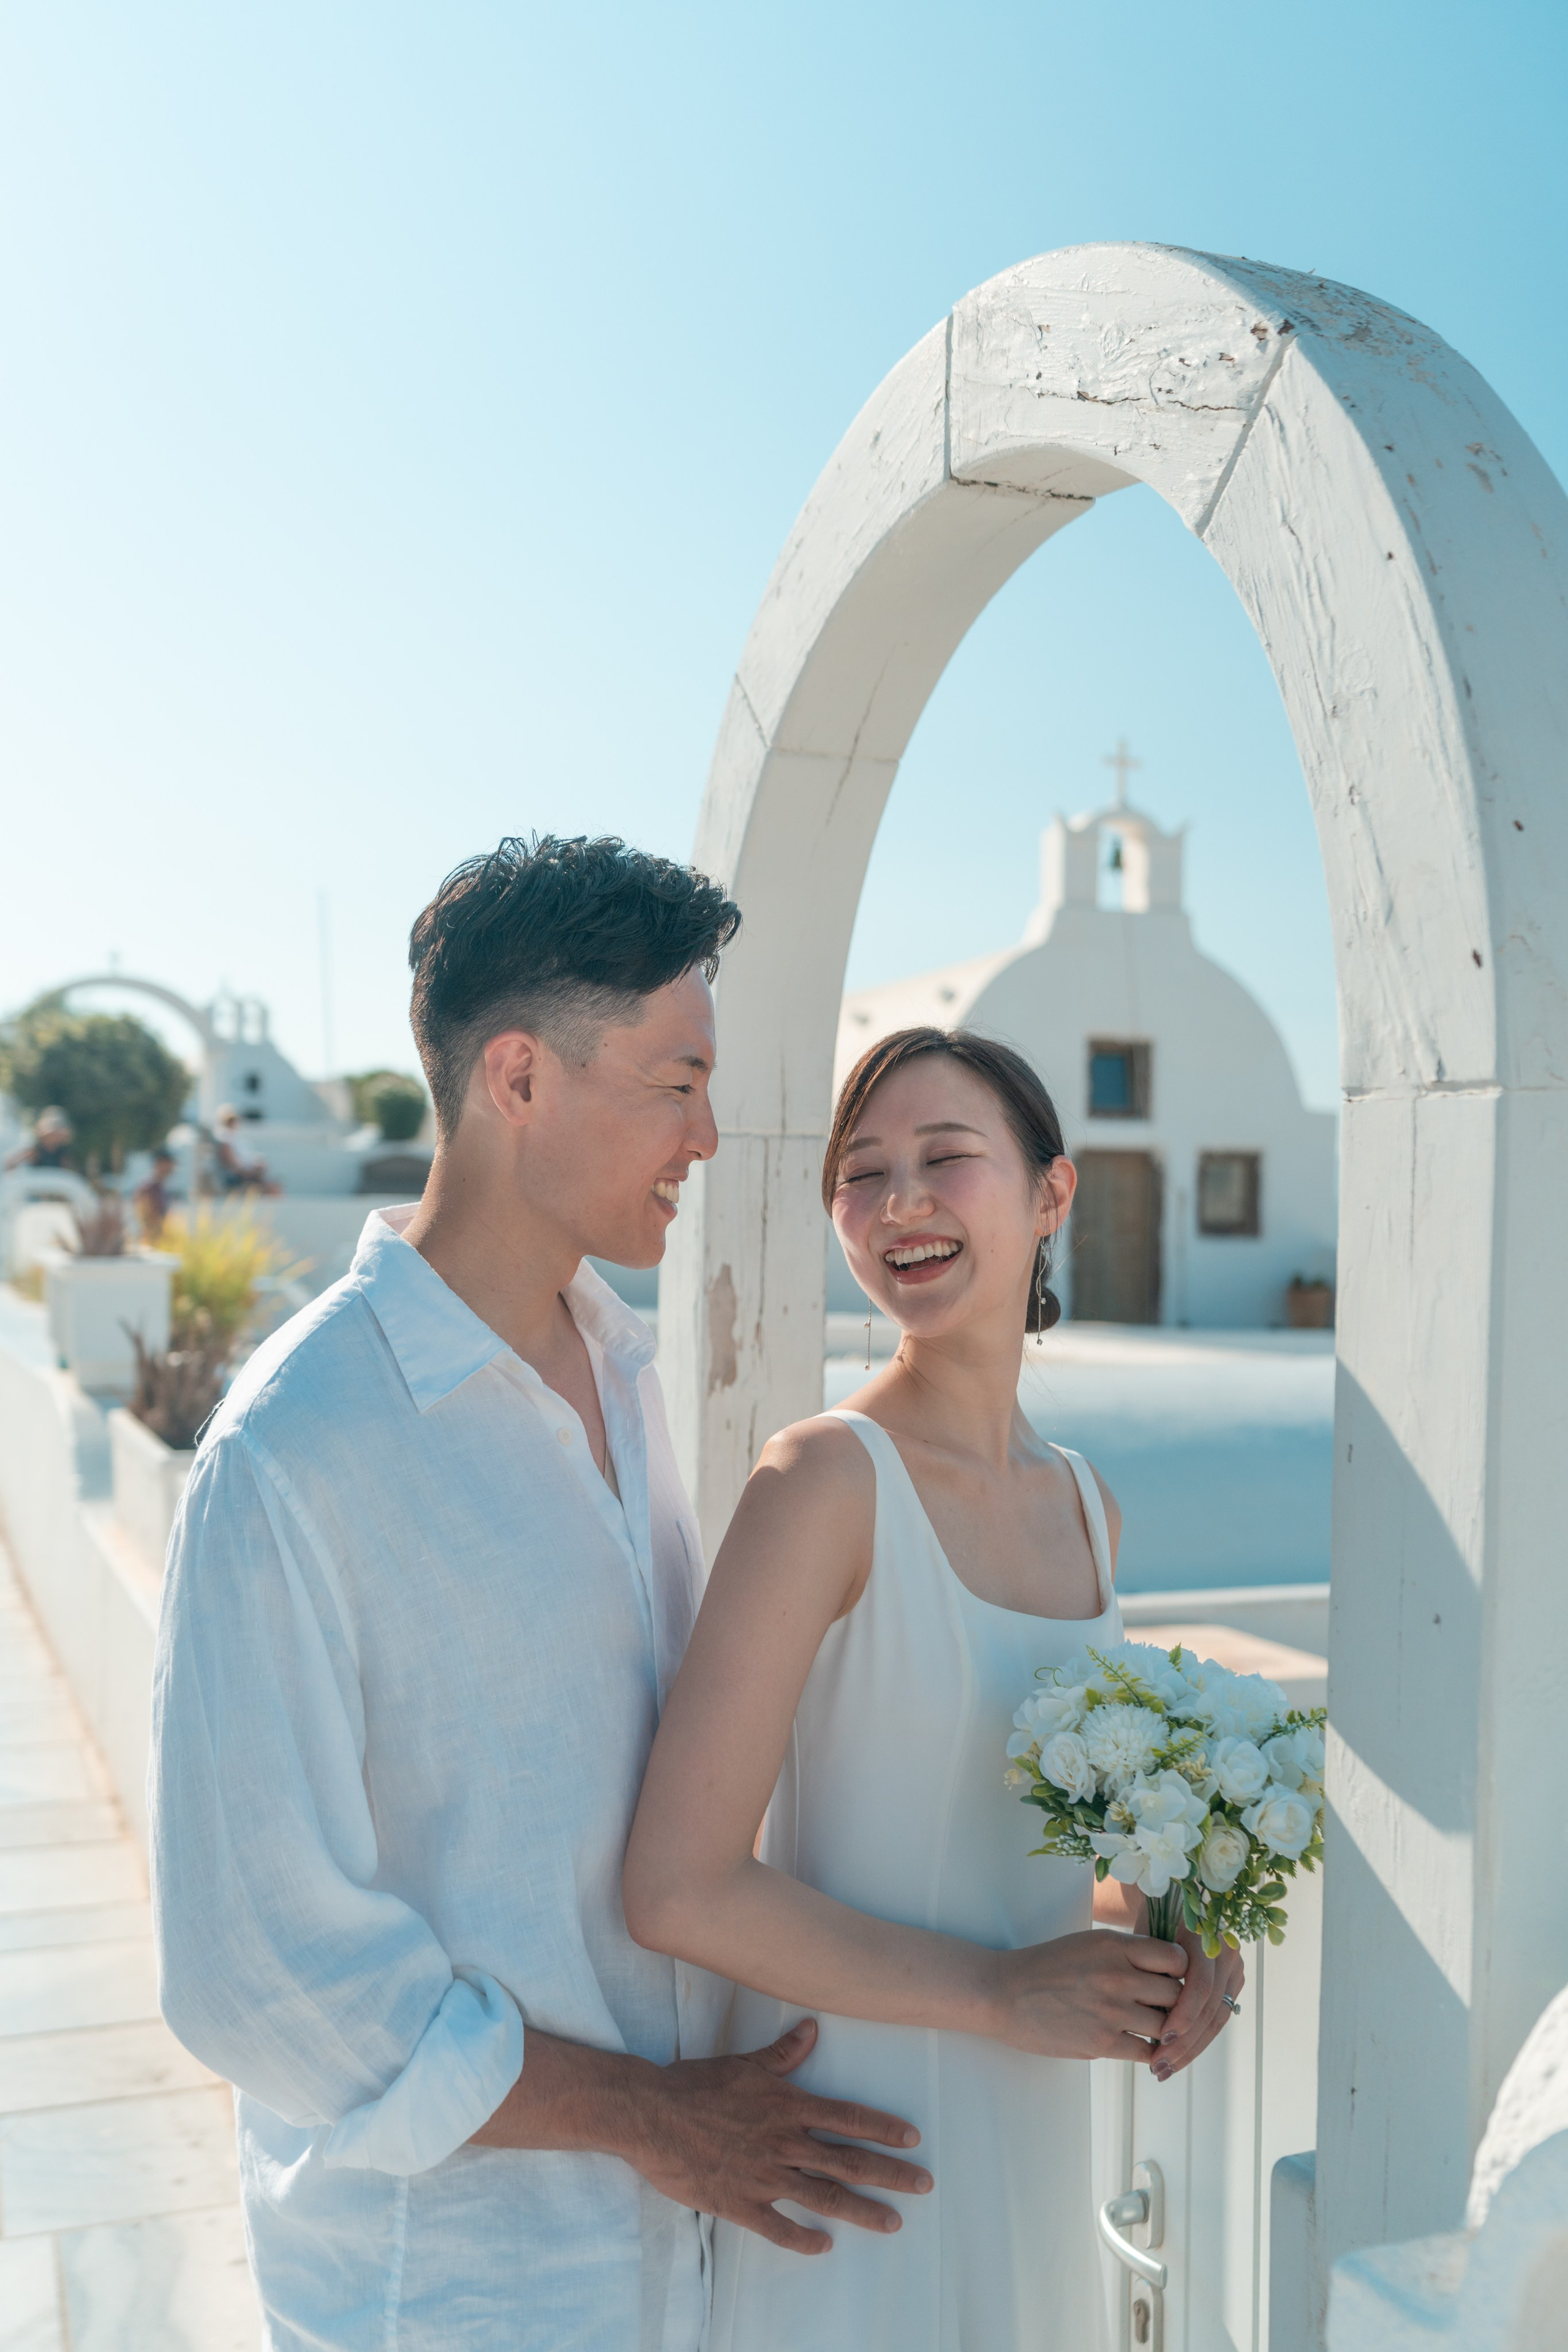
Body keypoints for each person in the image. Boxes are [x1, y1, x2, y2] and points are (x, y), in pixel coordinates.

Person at [150, 837, 929, 2352]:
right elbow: (256, 1970)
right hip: (449, 2293)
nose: (709, 1131)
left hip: (685, 2260)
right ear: (516, 1078)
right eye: (674, 1078)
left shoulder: (625, 1373)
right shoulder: (292, 1453)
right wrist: (656, 2119)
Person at [624, 1026, 1246, 2351]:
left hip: (1024, 2149)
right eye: (861, 1173)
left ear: (1050, 1195)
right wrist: (995, 1992)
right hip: (849, 2162)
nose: (898, 1201)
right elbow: (677, 1885)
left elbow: (1014, 1863)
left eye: (944, 1158)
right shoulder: (818, 1485)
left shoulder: (1088, 1508)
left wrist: (1171, 1944)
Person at [212, 1102, 281, 1194]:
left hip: (248, 1173)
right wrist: (251, 1172)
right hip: (240, 1177)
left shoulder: (233, 1137)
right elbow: (232, 1164)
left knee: (275, 1185)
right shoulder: (225, 1139)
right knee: (272, 1188)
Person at [3, 1106, 75, 1172]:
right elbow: (11, 1162)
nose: (54, 1137)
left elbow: (69, 1171)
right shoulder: (35, 1151)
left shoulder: (62, 1153)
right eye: (51, 1135)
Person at [132, 1145, 179, 1242]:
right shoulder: (148, 1189)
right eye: (168, 1163)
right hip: (151, 1242)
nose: (172, 1167)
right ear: (159, 1164)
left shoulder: (162, 1188)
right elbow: (146, 1219)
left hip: (161, 1241)